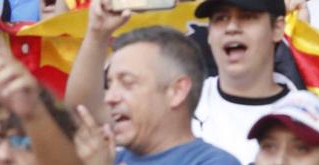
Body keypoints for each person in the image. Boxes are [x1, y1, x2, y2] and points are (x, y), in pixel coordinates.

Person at [192, 0, 298, 161]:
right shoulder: (181, 107)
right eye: (220, 19)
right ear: (208, 34)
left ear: (277, 29)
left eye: (247, 17)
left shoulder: (308, 116)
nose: (231, 27)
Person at [102, 27, 240, 165]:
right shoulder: (108, 158)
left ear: (177, 91)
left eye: (127, 82)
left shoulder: (214, 162)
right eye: (109, 85)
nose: (110, 98)